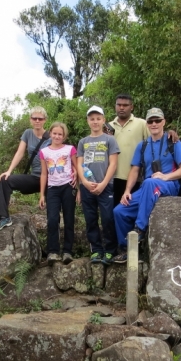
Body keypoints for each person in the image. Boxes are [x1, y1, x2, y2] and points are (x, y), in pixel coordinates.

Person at [113, 108, 181, 263]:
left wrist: (165, 176)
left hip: (169, 185)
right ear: (147, 124)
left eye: (157, 120)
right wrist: (127, 191)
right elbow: (135, 170)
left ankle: (140, 229)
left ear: (163, 122)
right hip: (148, 188)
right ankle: (127, 250)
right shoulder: (142, 146)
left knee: (149, 182)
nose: (154, 124)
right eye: (150, 121)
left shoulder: (172, 141)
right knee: (119, 210)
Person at [108, 94, 179, 207]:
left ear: (132, 107)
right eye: (119, 105)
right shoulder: (108, 126)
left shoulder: (141, 123)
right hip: (111, 178)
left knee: (133, 208)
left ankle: (139, 224)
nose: (121, 108)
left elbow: (156, 133)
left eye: (125, 105)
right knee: (114, 212)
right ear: (115, 106)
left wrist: (170, 133)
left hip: (135, 178)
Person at [0, 106, 51, 232]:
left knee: (53, 213)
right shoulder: (28, 133)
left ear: (45, 120)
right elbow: (20, 153)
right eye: (34, 118)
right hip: (35, 178)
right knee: (4, 180)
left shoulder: (52, 137)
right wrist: (9, 171)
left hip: (51, 180)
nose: (37, 121)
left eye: (40, 118)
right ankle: (3, 217)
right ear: (30, 120)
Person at [77, 105, 120, 265]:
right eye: (92, 119)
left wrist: (103, 184)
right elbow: (79, 164)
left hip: (105, 185)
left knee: (108, 218)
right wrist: (85, 183)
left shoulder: (110, 140)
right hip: (87, 186)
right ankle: (96, 250)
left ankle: (110, 251)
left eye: (98, 118)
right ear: (88, 121)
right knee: (90, 219)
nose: (95, 122)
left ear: (103, 120)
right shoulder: (83, 142)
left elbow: (113, 164)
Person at [38, 122, 78, 266]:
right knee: (52, 219)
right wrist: (42, 194)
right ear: (50, 134)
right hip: (52, 189)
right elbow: (44, 173)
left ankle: (68, 251)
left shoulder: (70, 149)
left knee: (69, 219)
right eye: (54, 133)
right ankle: (53, 251)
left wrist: (77, 180)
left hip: (68, 187)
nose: (57, 136)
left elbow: (76, 166)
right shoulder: (44, 152)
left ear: (64, 136)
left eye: (60, 134)